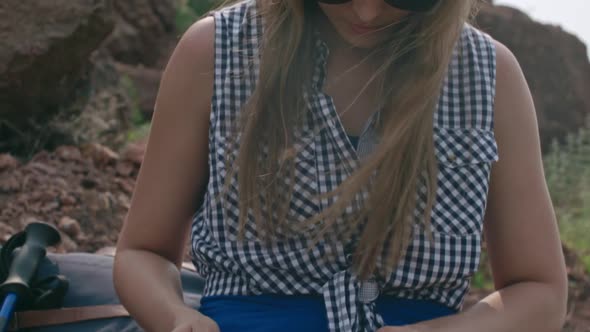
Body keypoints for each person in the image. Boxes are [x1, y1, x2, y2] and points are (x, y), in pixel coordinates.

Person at [113, 0, 568, 331]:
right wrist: (176, 318)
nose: (366, 11)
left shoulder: (489, 77)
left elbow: (541, 290)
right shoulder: (215, 51)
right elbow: (142, 253)